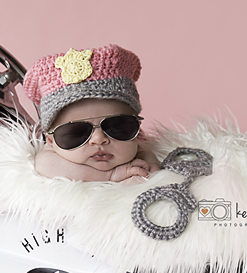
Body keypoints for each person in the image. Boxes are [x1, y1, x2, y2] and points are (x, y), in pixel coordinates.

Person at [23, 45, 158, 183]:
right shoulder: (49, 157)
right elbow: (45, 165)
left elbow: (144, 153)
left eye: (117, 128)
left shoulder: (136, 148)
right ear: (51, 141)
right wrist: (110, 175)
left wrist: (152, 166)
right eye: (77, 133)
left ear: (136, 130)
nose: (98, 139)